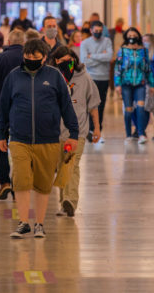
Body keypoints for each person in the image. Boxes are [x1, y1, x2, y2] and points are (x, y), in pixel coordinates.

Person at [0, 39, 79, 238]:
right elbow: (4, 108)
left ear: (44, 58)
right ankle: (23, 222)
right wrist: (0, 133)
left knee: (43, 185)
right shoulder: (14, 77)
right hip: (19, 139)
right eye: (28, 56)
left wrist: (73, 134)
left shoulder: (55, 76)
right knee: (21, 180)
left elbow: (67, 107)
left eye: (35, 57)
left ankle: (39, 224)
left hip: (48, 139)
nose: (31, 59)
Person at [49, 46, 100, 217]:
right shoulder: (51, 78)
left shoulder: (84, 78)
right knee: (61, 166)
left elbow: (93, 105)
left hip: (78, 132)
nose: (65, 64)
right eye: (61, 61)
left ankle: (69, 201)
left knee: (72, 164)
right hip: (55, 132)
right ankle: (64, 202)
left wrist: (97, 128)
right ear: (55, 61)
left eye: (68, 60)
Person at [0, 30, 27, 200]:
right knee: (22, 147)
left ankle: (4, 183)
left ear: (8, 41)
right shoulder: (28, 59)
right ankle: (18, 184)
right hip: (24, 111)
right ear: (23, 42)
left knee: (0, 145)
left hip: (2, 111)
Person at [114, 27, 154, 144]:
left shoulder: (144, 51)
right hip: (126, 84)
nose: (132, 38)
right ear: (126, 37)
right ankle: (128, 135)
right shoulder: (122, 51)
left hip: (140, 84)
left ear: (138, 37)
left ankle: (141, 133)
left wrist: (151, 84)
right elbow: (117, 69)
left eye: (134, 36)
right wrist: (117, 84)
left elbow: (148, 68)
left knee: (141, 107)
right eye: (129, 36)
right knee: (128, 110)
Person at [81, 20, 113, 143]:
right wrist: (101, 56)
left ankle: (97, 131)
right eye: (96, 31)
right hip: (91, 78)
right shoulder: (85, 43)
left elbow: (109, 57)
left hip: (104, 78)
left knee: (101, 105)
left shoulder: (107, 41)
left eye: (100, 31)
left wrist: (92, 56)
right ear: (91, 30)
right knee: (91, 105)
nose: (98, 33)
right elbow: (84, 61)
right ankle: (90, 130)